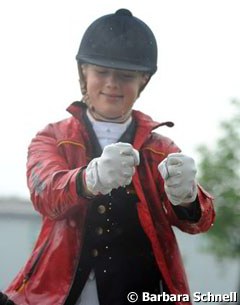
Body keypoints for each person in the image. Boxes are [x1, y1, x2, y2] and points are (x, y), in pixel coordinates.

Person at [5, 8, 215, 305]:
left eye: (125, 76)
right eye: (101, 72)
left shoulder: (163, 150)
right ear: (84, 73)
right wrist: (89, 179)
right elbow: (45, 194)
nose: (112, 84)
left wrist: (189, 199)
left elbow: (199, 223)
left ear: (142, 81)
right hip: (63, 293)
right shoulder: (50, 137)